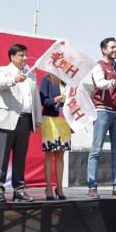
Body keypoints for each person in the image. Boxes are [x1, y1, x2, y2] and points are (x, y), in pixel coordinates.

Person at [0, 43, 41, 203]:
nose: (25, 58)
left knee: (20, 157)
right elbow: (0, 83)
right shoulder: (2, 70)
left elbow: (35, 97)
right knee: (2, 157)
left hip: (26, 119)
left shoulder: (30, 74)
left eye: (26, 55)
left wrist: (37, 119)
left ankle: (19, 190)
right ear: (12, 57)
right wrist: (14, 79)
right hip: (7, 118)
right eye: (21, 55)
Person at [88, 37, 116, 199]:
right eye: (112, 47)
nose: (115, 50)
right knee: (96, 150)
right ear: (104, 50)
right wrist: (115, 82)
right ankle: (92, 187)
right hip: (102, 111)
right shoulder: (98, 66)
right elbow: (99, 84)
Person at [38, 71, 71, 200]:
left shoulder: (68, 81)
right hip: (50, 119)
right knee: (50, 152)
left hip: (64, 120)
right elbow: (43, 100)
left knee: (61, 154)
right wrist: (54, 100)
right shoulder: (47, 79)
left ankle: (60, 187)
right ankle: (48, 187)